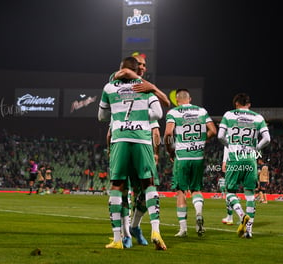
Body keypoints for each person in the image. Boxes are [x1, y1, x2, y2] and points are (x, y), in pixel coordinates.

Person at [98, 56, 166, 250]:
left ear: (120, 68)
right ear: (137, 69)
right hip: (142, 140)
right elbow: (159, 115)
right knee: (149, 185)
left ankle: (118, 238)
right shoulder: (146, 88)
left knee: (118, 186)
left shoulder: (110, 87)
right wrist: (141, 115)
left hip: (119, 139)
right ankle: (155, 230)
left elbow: (102, 117)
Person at [164, 88, 217, 237]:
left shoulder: (173, 113)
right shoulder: (201, 111)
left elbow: (168, 133)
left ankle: (183, 229)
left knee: (181, 191)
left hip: (182, 156)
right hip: (198, 156)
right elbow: (213, 130)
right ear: (190, 99)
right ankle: (198, 213)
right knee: (196, 189)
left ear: (177, 100)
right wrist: (201, 140)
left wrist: (170, 150)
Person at [217, 93, 271, 239]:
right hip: (250, 160)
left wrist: (231, 146)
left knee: (230, 192)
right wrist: (256, 149)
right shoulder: (258, 117)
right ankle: (249, 231)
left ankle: (241, 215)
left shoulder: (228, 115)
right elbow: (267, 138)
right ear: (249, 104)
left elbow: (220, 136)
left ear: (236, 104)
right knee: (250, 194)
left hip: (235, 159)